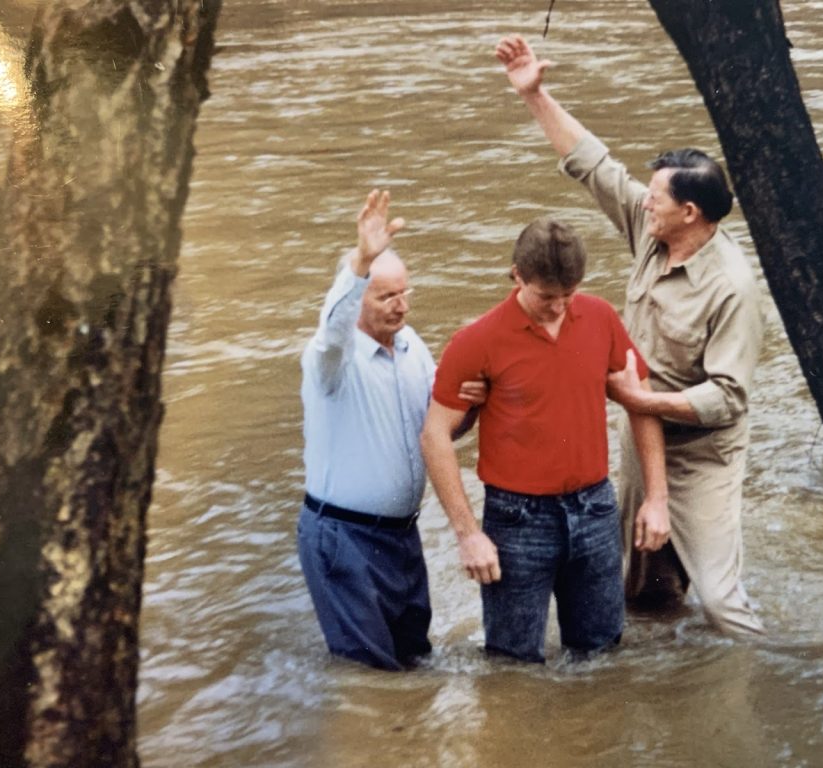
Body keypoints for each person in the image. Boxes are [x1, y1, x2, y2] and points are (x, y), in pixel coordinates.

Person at [495, 34, 765, 637]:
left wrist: (641, 399)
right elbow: (593, 165)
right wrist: (534, 95)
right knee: (642, 592)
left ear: (690, 213)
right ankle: (662, 681)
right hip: (641, 434)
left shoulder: (733, 287)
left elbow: (728, 397)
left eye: (657, 198)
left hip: (703, 450)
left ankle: (769, 673)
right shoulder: (653, 228)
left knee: (721, 602)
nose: (645, 204)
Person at [420, 216, 670, 663]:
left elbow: (641, 402)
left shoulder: (600, 317)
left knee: (602, 656)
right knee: (512, 663)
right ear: (517, 276)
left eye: (568, 295)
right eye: (546, 297)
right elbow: (434, 436)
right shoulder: (477, 340)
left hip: (594, 508)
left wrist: (657, 498)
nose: (558, 308)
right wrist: (468, 535)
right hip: (517, 519)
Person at [298, 189, 482, 670]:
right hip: (343, 537)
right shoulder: (331, 359)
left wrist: (473, 405)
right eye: (386, 297)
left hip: (402, 536)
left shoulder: (411, 346)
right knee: (369, 673)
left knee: (415, 663)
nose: (401, 307)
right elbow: (333, 329)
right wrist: (361, 261)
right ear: (359, 297)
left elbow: (438, 432)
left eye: (405, 294)